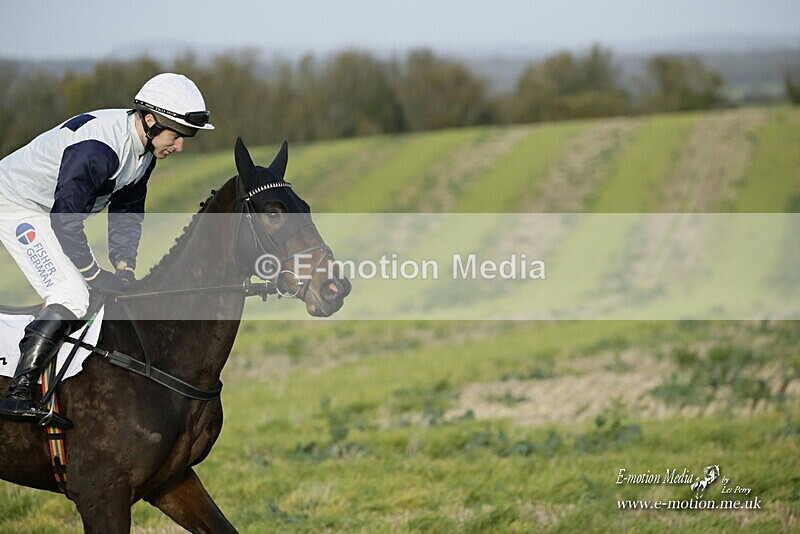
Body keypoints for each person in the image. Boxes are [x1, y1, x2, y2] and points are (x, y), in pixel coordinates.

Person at [0, 73, 214, 428]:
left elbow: (127, 213)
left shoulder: (144, 152)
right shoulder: (99, 150)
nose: (179, 146)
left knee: (89, 292)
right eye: (176, 135)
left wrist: (124, 266)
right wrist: (95, 275)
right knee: (71, 293)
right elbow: (66, 222)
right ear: (150, 120)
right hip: (14, 205)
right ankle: (17, 394)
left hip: (46, 209)